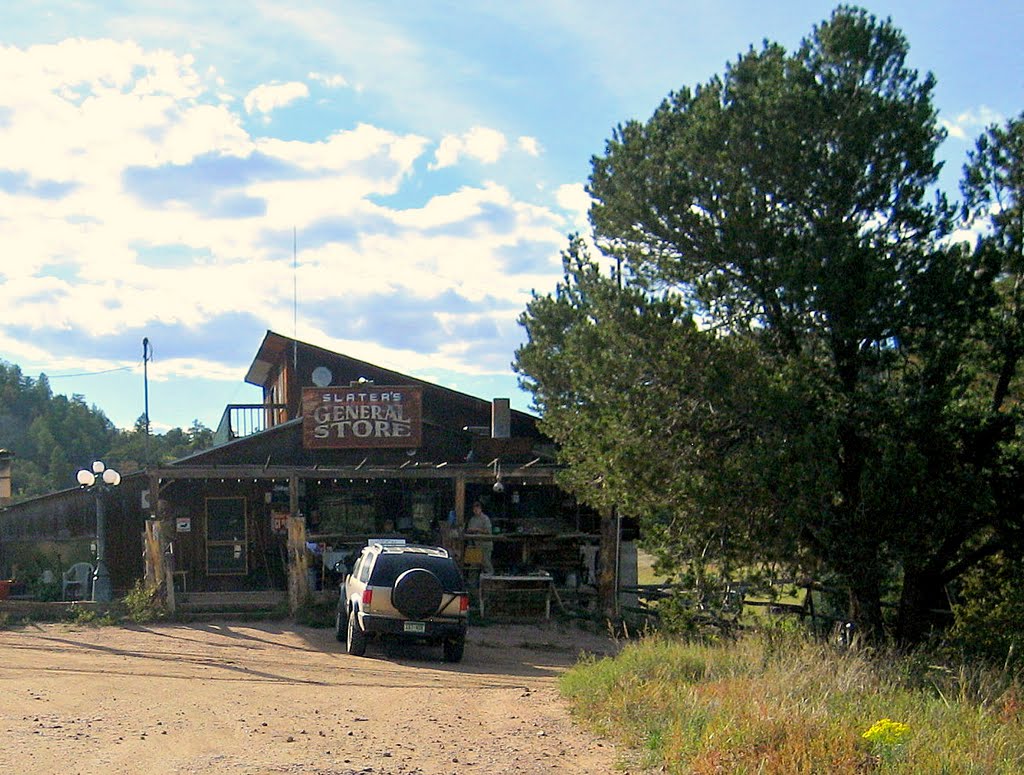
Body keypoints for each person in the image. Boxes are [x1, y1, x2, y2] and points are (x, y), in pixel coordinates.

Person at [466, 500, 494, 574]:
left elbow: (488, 531)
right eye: (474, 509)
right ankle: (471, 584)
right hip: (474, 545)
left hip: (485, 545)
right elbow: (468, 530)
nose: (476, 510)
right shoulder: (472, 519)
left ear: (480, 509)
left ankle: (490, 579)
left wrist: (477, 529)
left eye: (477, 509)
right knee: (473, 566)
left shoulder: (485, 519)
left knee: (486, 564)